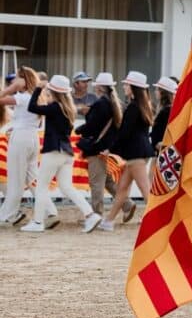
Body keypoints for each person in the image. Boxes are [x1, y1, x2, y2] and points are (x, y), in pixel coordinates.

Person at [21, 75, 102, 233]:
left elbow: (32, 108)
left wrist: (38, 88)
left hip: (53, 151)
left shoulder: (55, 107)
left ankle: (38, 222)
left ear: (54, 91)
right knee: (67, 187)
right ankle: (91, 215)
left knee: (41, 187)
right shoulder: (68, 108)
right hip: (66, 152)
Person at [101, 71, 155, 231]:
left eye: (126, 85)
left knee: (145, 190)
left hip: (136, 154)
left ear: (133, 88)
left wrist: (110, 149)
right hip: (139, 153)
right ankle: (109, 221)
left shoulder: (133, 107)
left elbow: (124, 132)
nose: (124, 87)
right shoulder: (143, 105)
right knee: (123, 189)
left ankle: (156, 220)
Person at [0, 68, 43, 227]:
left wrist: (10, 88)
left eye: (18, 78)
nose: (14, 81)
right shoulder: (34, 96)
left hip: (21, 138)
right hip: (31, 136)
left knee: (15, 180)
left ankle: (8, 216)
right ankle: (49, 211)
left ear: (24, 80)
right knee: (33, 178)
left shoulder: (24, 96)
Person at [75, 72, 122, 215]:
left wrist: (79, 129)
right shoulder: (112, 103)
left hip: (96, 148)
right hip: (104, 146)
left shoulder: (101, 103)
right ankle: (127, 204)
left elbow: (92, 126)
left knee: (96, 183)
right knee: (107, 180)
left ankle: (97, 213)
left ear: (100, 88)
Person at [151, 76, 178, 151]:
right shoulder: (169, 110)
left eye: (157, 89)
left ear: (163, 93)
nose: (155, 92)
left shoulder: (166, 111)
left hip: (163, 152)